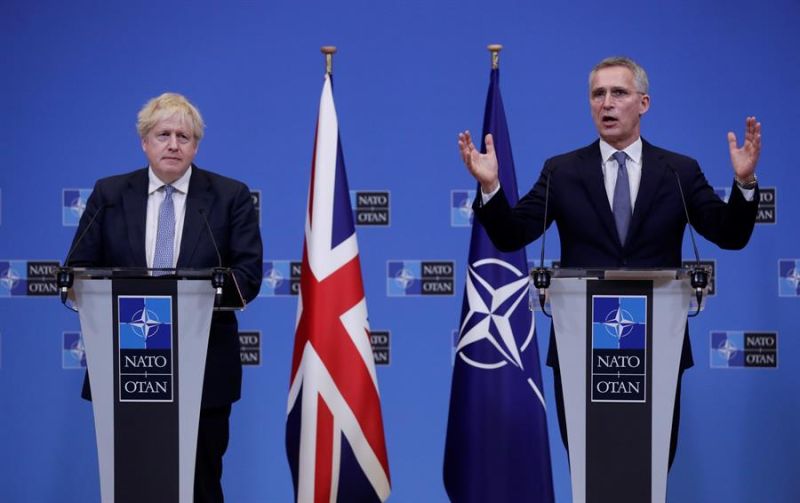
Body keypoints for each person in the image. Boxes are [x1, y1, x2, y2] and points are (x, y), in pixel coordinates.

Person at [457, 56, 761, 466]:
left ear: (644, 103)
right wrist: (492, 186)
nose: (607, 103)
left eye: (619, 93)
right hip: (579, 348)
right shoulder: (562, 172)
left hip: (658, 347)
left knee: (648, 469)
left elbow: (731, 236)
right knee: (592, 469)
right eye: (598, 94)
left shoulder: (679, 171)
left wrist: (743, 184)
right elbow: (512, 234)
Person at [67, 92, 263, 502]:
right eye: (163, 134)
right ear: (144, 142)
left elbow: (248, 276)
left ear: (196, 146)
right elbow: (78, 271)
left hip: (204, 367)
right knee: (133, 484)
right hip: (127, 368)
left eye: (184, 136)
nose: (173, 144)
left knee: (201, 484)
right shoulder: (111, 194)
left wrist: (203, 292)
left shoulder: (229, 197)